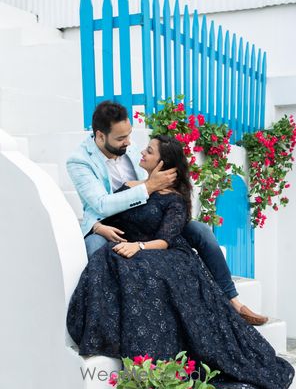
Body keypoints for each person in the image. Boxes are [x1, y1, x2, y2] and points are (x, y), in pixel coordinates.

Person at [66, 135, 294, 389]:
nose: (141, 152)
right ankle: (108, 334)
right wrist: (99, 227)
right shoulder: (129, 187)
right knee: (110, 260)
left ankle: (232, 303)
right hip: (131, 246)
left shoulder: (174, 199)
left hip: (159, 249)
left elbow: (165, 240)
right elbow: (105, 211)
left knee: (167, 263)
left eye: (149, 151)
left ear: (162, 163)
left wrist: (138, 246)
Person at [67, 100, 267, 326]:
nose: (129, 143)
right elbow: (101, 204)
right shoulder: (79, 161)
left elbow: (153, 180)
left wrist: (159, 194)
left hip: (147, 214)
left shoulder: (127, 147)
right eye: (121, 138)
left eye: (129, 135)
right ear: (100, 136)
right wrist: (147, 188)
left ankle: (233, 301)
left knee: (202, 232)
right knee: (95, 248)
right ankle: (107, 320)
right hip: (108, 223)